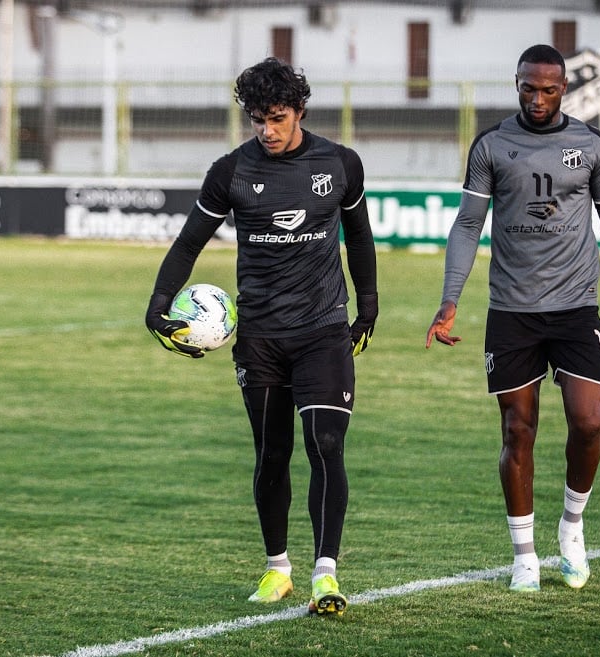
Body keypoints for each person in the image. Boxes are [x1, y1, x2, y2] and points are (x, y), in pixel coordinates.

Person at [145, 57, 378, 616]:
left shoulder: (340, 164)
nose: (267, 130)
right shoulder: (230, 172)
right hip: (261, 338)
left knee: (326, 445)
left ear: (299, 111)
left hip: (323, 330)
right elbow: (187, 244)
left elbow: (361, 237)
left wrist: (367, 308)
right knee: (272, 454)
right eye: (257, 119)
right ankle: (278, 569)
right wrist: (157, 306)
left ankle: (326, 572)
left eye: (276, 117)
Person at [425, 44, 600, 592]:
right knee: (518, 430)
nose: (537, 98)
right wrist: (450, 300)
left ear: (563, 87)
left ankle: (572, 526)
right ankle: (524, 557)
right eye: (527, 87)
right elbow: (468, 224)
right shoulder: (492, 144)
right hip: (512, 312)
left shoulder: (590, 146)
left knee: (588, 423)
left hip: (575, 309)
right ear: (515, 83)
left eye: (548, 89)